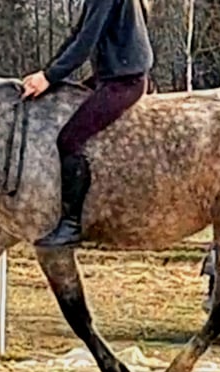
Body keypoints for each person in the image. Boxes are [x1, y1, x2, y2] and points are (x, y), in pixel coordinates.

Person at [22, 0, 154, 248]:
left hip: (124, 82)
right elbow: (77, 34)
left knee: (68, 140)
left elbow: (84, 43)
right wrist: (47, 73)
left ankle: (72, 224)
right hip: (114, 75)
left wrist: (49, 77)